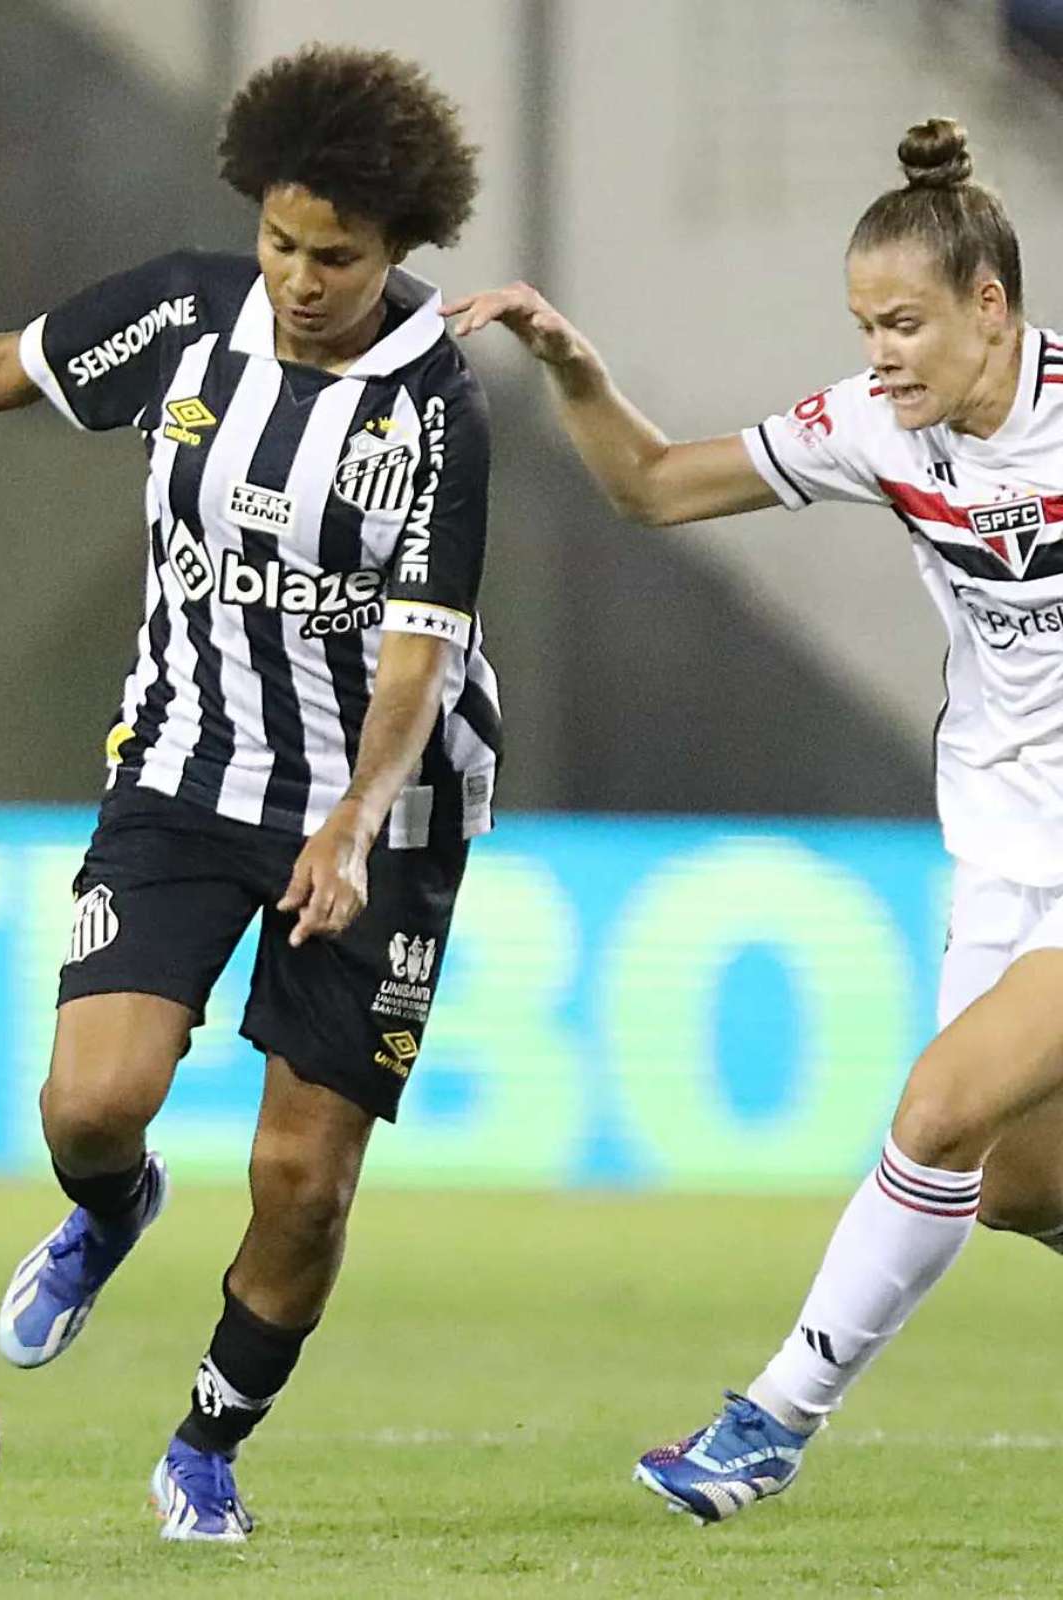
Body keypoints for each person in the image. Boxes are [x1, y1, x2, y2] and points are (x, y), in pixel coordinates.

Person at [0, 45, 500, 1541]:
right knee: (91, 1105)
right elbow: (0, 367)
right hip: (184, 766)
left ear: (396, 248)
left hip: (384, 815)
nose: (295, 277)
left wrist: (348, 826)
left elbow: (417, 659)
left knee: (304, 1180)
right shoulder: (190, 309)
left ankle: (209, 1444)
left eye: (332, 257)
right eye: (280, 241)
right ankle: (108, 1210)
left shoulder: (435, 415)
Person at [448, 115, 1063, 1523]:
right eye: (863, 326)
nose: (881, 354)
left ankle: (768, 1422)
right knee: (1025, 1188)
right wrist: (575, 369)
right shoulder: (872, 428)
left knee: (939, 1111)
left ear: (990, 304)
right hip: (1004, 859)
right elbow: (653, 486)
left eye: (904, 323)